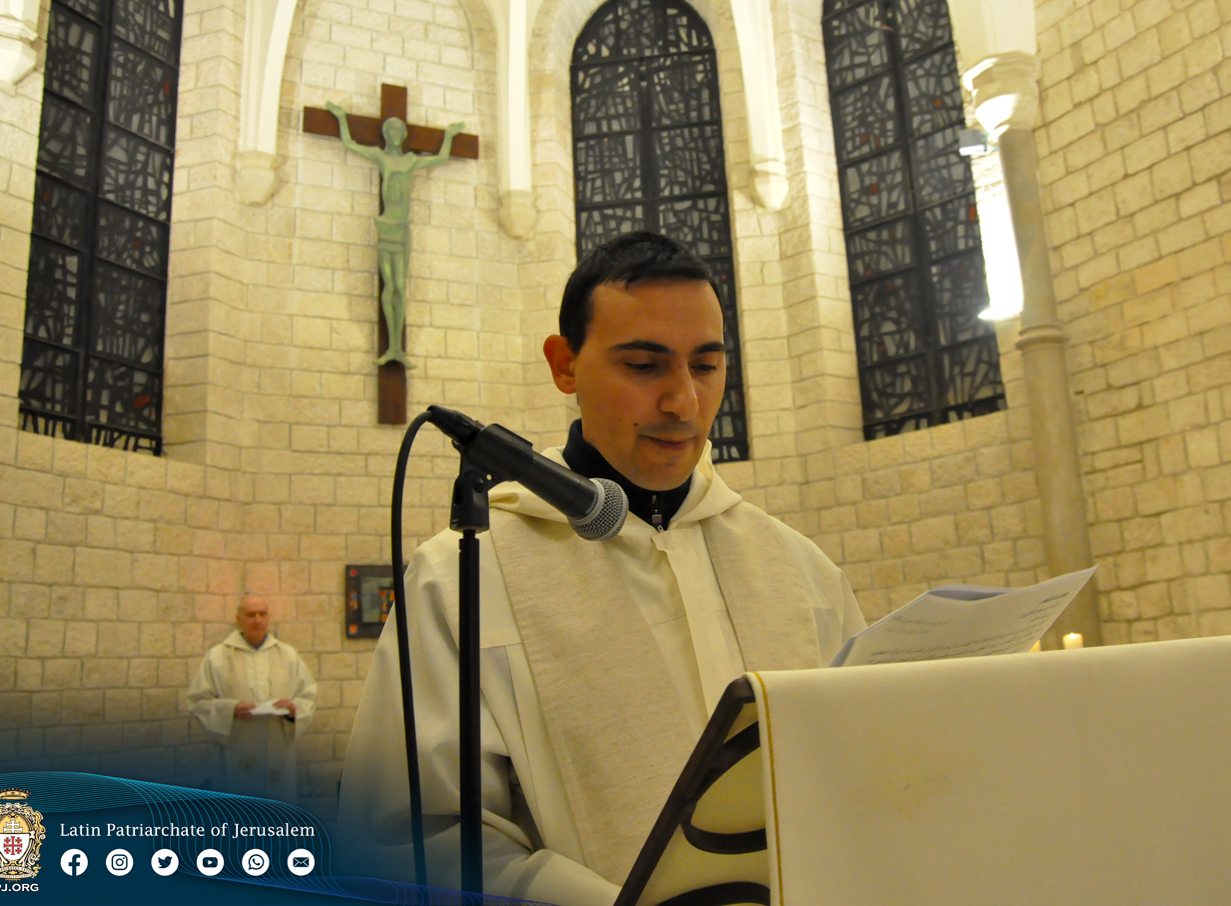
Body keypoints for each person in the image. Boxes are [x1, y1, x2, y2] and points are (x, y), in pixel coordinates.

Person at [339, 233, 866, 903]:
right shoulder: (466, 576)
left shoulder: (799, 570)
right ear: (565, 365)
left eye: (705, 366)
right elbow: (412, 839)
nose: (684, 403)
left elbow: (867, 771)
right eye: (645, 366)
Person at [323, 101, 468, 367]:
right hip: (385, 226)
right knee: (389, 286)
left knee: (400, 286)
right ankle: (391, 347)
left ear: (402, 135)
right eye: (390, 130)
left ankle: (397, 348)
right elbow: (350, 144)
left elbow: (442, 158)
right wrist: (342, 118)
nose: (394, 134)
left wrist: (449, 135)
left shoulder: (411, 161)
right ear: (386, 134)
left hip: (402, 230)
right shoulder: (380, 157)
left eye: (398, 130)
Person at [187, 595, 318, 802]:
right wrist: (230, 710)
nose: (257, 619)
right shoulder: (218, 656)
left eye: (262, 614)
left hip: (278, 750)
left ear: (268, 618)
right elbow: (198, 701)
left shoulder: (288, 655)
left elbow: (307, 694)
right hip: (237, 748)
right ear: (239, 619)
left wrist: (294, 710)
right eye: (250, 614)